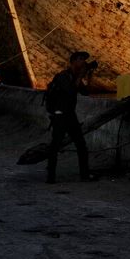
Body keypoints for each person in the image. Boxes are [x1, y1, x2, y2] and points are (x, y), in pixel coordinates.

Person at [44, 50, 95, 184]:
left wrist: (88, 76)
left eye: (83, 59)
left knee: (81, 145)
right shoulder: (63, 76)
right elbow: (71, 91)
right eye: (80, 59)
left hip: (70, 115)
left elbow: (85, 93)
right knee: (55, 145)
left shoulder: (75, 76)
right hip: (60, 115)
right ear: (73, 62)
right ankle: (51, 176)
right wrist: (80, 77)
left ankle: (84, 175)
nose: (83, 62)